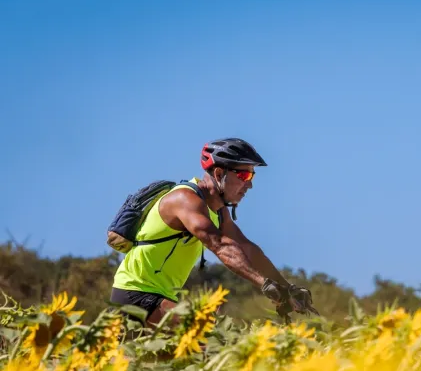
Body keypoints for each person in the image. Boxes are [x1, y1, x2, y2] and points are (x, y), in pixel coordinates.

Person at [109, 137, 315, 325]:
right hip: (135, 294)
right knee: (210, 340)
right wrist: (264, 284)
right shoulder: (185, 200)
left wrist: (287, 287)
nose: (249, 184)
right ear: (218, 173)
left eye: (252, 175)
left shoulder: (218, 210)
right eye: (243, 174)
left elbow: (247, 248)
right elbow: (220, 245)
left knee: (171, 361)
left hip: (160, 298)